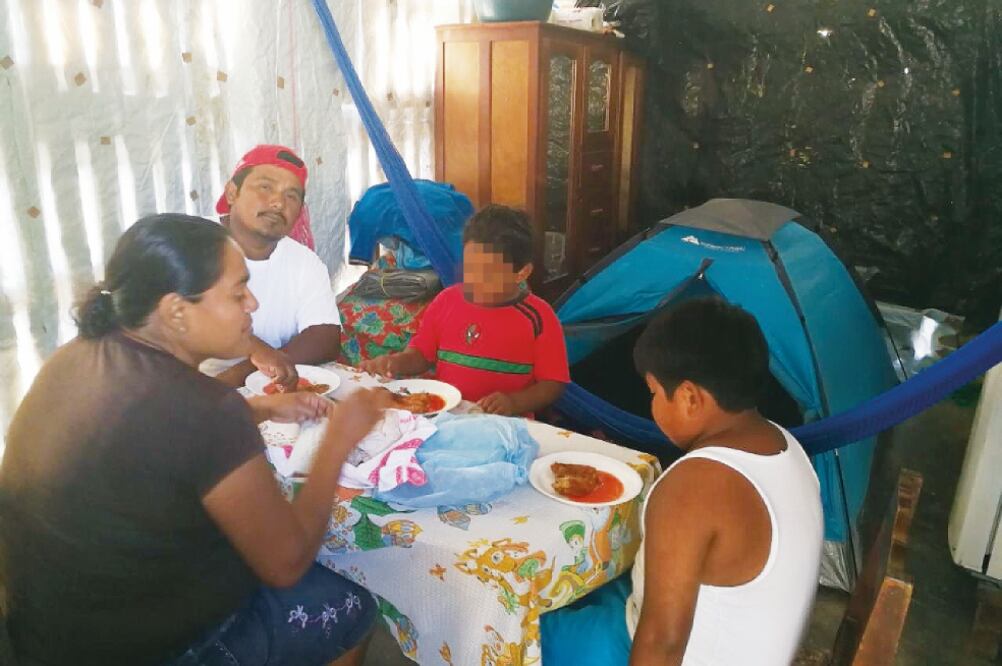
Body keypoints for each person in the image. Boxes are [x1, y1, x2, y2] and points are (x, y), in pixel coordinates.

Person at [0, 214, 393, 665]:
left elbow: (154, 433)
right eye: (237, 291)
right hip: (145, 650)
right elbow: (286, 563)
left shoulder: (77, 356)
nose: (253, 303)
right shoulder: (206, 410)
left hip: (45, 635)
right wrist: (337, 442)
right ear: (176, 312)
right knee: (351, 605)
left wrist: (259, 408)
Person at [539, 297, 824, 665]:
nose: (652, 405)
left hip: (676, 652)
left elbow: (662, 643)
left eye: (655, 393)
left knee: (521, 627)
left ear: (689, 397)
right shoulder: (784, 444)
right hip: (746, 647)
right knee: (588, 588)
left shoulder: (693, 486)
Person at [360, 204, 569, 416]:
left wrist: (514, 403)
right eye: (470, 267)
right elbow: (421, 355)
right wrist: (394, 362)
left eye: (488, 273)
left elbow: (552, 384)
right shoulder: (446, 301)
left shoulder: (540, 318)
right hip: (446, 417)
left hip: (506, 425)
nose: (474, 280)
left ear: (521, 273)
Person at [205, 144, 342, 392]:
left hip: (265, 391)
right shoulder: (191, 243)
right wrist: (257, 351)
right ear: (232, 192)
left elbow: (325, 337)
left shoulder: (305, 262)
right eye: (265, 187)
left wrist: (247, 370)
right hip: (190, 389)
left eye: (291, 196)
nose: (278, 202)